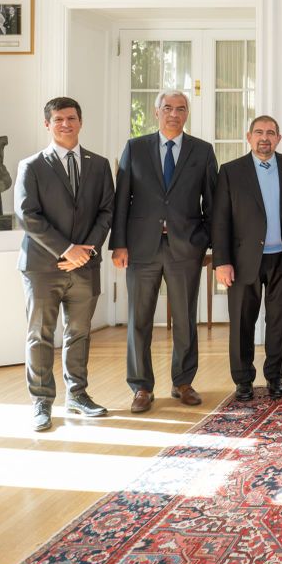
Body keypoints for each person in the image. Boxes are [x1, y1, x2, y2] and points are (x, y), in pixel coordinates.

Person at [110, 90, 218, 413]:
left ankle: (183, 382)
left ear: (187, 114)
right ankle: (141, 387)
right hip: (141, 247)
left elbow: (212, 203)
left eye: (180, 108)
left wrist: (208, 242)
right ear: (156, 112)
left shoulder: (202, 151)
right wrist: (119, 243)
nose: (174, 113)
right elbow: (121, 200)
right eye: (167, 108)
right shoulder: (135, 148)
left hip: (186, 247)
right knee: (139, 319)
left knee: (186, 317)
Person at [14, 97, 114, 431]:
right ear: (47, 124)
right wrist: (67, 249)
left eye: (71, 118)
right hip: (43, 267)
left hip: (85, 267)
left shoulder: (99, 165)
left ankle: (78, 395)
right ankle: (41, 403)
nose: (65, 124)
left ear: (80, 122)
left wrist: (85, 252)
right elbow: (27, 215)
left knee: (79, 334)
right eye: (58, 119)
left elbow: (106, 211)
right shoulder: (32, 166)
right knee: (40, 335)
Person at [211, 115, 282, 401]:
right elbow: (220, 219)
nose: (265, 137)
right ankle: (243, 380)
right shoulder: (230, 171)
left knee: (279, 322)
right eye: (259, 132)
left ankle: (274, 377)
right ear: (248, 136)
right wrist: (221, 261)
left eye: (271, 133)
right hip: (242, 260)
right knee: (242, 323)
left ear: (279, 138)